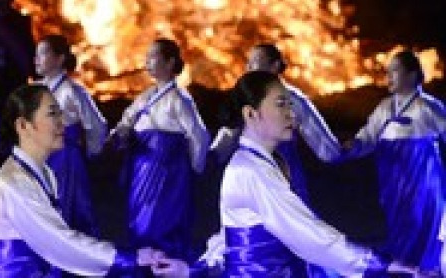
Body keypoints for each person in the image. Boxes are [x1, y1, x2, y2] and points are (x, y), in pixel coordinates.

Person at [171, 71, 404, 276]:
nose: (292, 114)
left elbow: (233, 237)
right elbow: (305, 232)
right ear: (251, 114)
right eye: (281, 104)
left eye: (291, 105)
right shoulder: (250, 170)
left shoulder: (266, 162)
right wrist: (379, 265)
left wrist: (199, 268)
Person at [0, 83, 180, 277]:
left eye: (61, 113)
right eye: (52, 114)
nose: (63, 122)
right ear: (23, 125)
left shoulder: (42, 172)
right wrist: (126, 258)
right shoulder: (14, 182)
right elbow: (58, 240)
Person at [341, 50, 445, 273]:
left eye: (395, 71)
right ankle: (403, 267)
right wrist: (354, 146)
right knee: (398, 222)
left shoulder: (427, 107)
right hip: (392, 178)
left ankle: (425, 267)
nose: (389, 76)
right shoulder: (385, 107)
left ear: (412, 74)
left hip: (422, 176)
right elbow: (368, 136)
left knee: (423, 221)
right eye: (388, 72)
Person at [109, 39, 208, 261]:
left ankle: (164, 264)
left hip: (167, 169)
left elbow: (198, 134)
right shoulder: (145, 96)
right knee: (138, 218)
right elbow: (127, 120)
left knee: (161, 221)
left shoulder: (180, 99)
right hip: (141, 165)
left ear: (170, 62)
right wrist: (121, 133)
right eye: (147, 57)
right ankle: (143, 262)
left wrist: (194, 167)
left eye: (153, 57)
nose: (147, 62)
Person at [208, 43, 340, 201]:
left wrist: (346, 151)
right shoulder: (242, 98)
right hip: (252, 182)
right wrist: (209, 159)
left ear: (275, 66)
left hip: (287, 182)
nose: (249, 67)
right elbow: (228, 136)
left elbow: (319, 140)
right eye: (248, 62)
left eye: (255, 60)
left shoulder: (293, 100)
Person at [34, 35, 107, 237]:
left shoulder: (72, 91)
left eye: (43, 53)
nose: (36, 59)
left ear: (60, 58)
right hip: (40, 157)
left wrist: (91, 150)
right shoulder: (35, 90)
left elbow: (96, 124)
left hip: (65, 158)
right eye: (36, 53)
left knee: (66, 207)